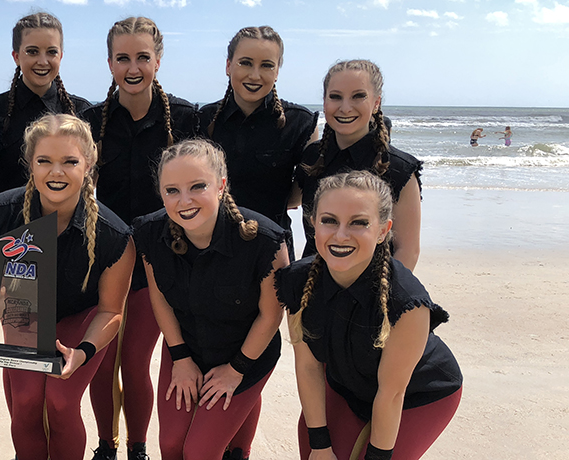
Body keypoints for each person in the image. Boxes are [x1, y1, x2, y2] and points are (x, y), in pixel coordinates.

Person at [0, 113, 136, 460]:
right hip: (25, 309)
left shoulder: (115, 235)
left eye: (70, 162)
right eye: (44, 161)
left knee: (60, 401)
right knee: (26, 400)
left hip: (82, 315)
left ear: (88, 165)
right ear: (30, 163)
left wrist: (82, 352)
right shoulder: (0, 212)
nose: (56, 172)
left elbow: (111, 310)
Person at [276, 171, 462, 460]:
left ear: (383, 230)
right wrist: (320, 444)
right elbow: (309, 366)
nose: (341, 235)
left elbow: (392, 394)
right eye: (329, 220)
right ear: (313, 224)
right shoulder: (298, 281)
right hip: (347, 386)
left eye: (359, 222)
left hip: (417, 395)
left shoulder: (406, 301)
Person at [80, 17, 199, 460]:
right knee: (100, 363)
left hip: (161, 259)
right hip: (104, 257)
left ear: (158, 61)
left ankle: (137, 448)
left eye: (143, 57)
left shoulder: (185, 118)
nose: (133, 68)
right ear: (110, 62)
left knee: (134, 362)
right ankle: (105, 447)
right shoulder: (91, 120)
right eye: (123, 58)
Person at [135, 139, 287, 460]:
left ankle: (239, 451)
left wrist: (237, 369)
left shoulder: (264, 241)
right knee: (171, 445)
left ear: (221, 185)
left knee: (199, 451)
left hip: (246, 354)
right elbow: (160, 297)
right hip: (186, 346)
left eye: (197, 186)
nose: (184, 200)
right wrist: (180, 358)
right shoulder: (149, 233)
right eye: (172, 190)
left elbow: (271, 316)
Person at [198, 26, 318, 258]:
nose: (255, 75)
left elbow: (302, 190)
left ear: (277, 71)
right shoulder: (203, 119)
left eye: (266, 65)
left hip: (274, 248)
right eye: (245, 63)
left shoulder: (300, 122)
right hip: (210, 247)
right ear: (228, 66)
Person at [295, 59, 422, 271]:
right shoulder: (312, 157)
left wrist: (386, 291)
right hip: (310, 283)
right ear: (324, 102)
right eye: (335, 97)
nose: (345, 108)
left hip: (374, 286)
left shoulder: (399, 167)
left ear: (376, 103)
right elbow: (288, 201)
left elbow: (408, 250)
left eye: (358, 96)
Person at [0, 12, 92, 193]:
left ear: (61, 56)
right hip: (6, 211)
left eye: (51, 52)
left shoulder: (81, 111)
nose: (42, 61)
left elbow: (89, 180)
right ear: (16, 56)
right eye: (32, 52)